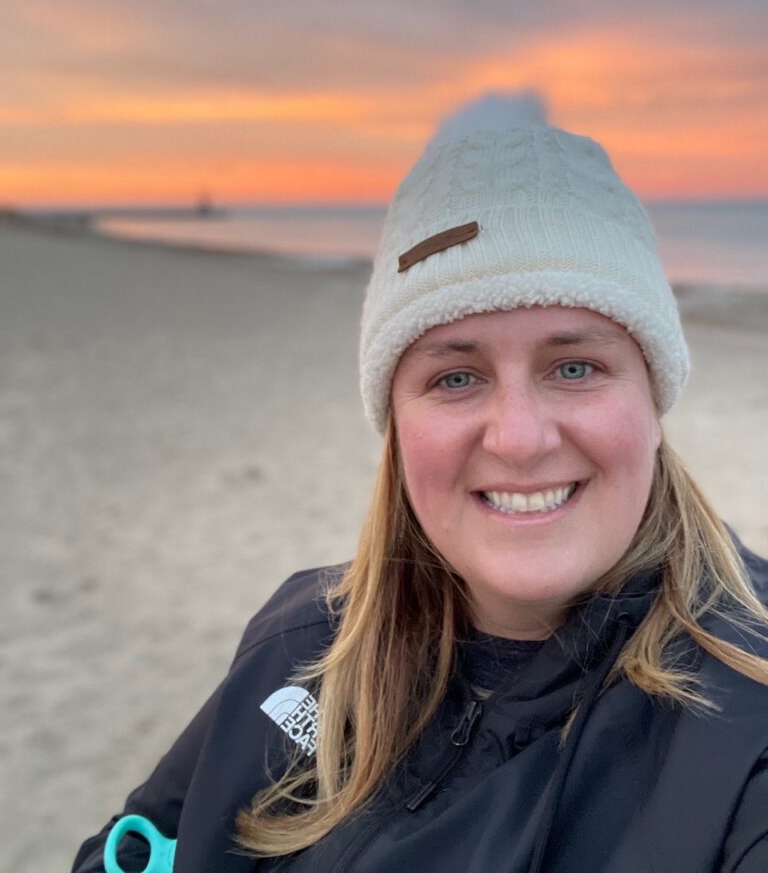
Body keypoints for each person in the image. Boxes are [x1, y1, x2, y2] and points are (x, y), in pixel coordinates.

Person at [73, 119, 768, 873]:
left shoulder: (748, 722)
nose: (519, 439)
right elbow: (135, 848)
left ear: (653, 402)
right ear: (397, 426)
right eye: (455, 377)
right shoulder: (302, 640)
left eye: (575, 367)